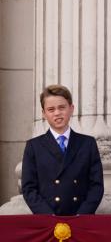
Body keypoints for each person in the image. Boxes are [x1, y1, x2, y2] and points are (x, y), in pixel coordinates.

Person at [22, 85, 104, 215]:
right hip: (48, 219)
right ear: (43, 113)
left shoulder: (88, 143)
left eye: (62, 107)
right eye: (51, 109)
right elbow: (29, 188)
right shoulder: (34, 146)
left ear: (71, 109)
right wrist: (48, 216)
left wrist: (82, 215)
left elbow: (96, 185)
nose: (57, 113)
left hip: (80, 218)